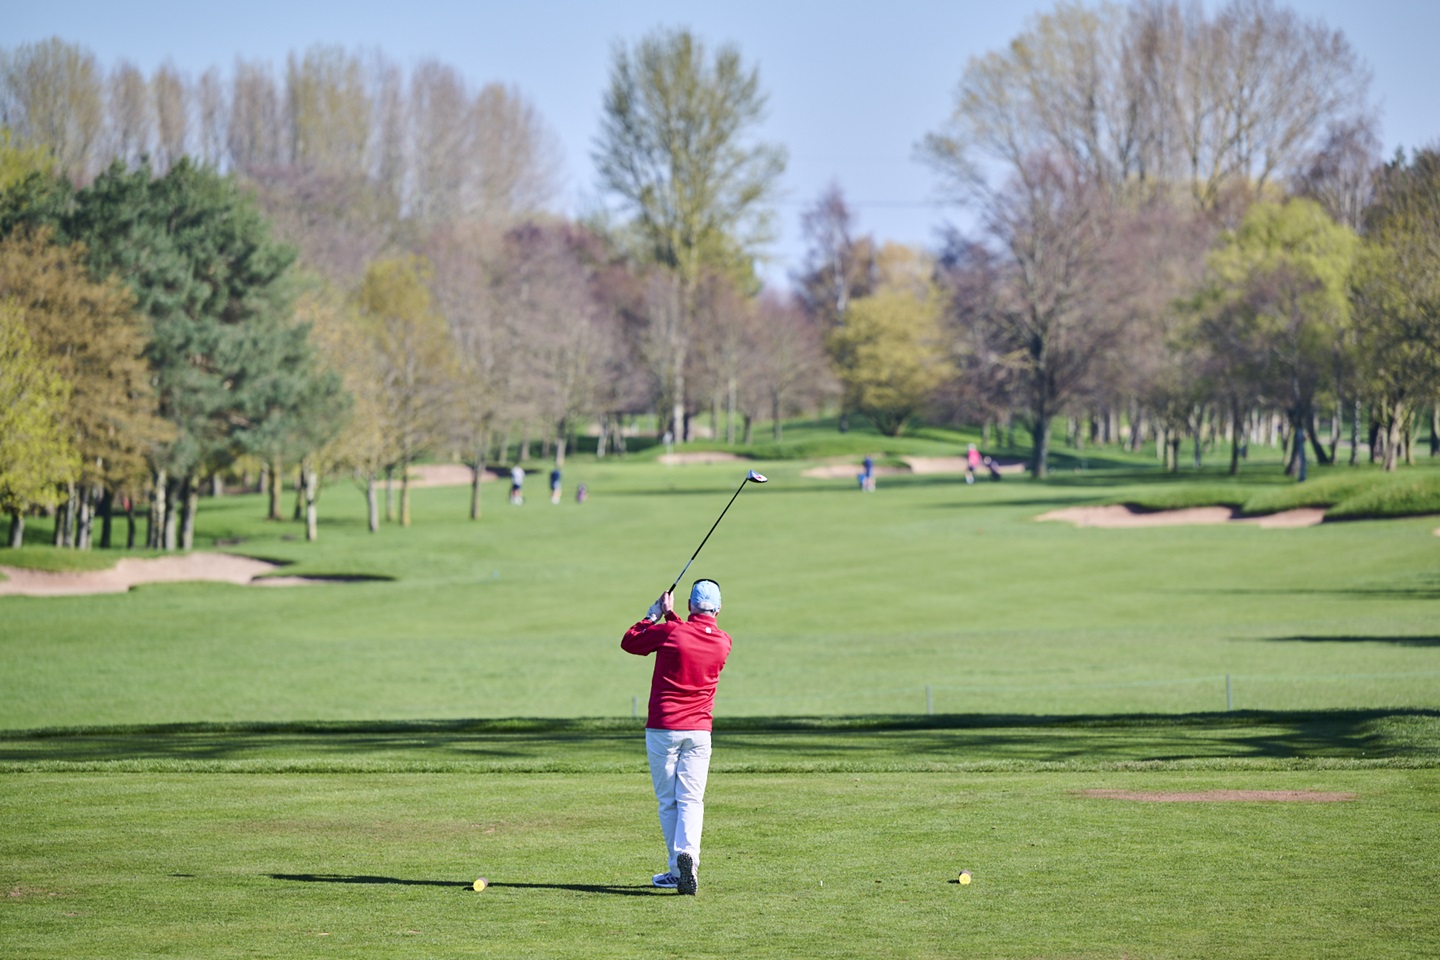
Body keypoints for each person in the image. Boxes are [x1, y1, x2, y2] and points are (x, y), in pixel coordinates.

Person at [621, 579, 733, 896]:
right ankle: (689, 860)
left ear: (689, 606)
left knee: (668, 802)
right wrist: (671, 618)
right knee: (691, 800)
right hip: (699, 732)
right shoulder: (724, 642)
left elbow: (631, 642)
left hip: (663, 729)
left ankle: (676, 868)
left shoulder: (672, 632)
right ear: (719, 609)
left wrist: (653, 613)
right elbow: (691, 639)